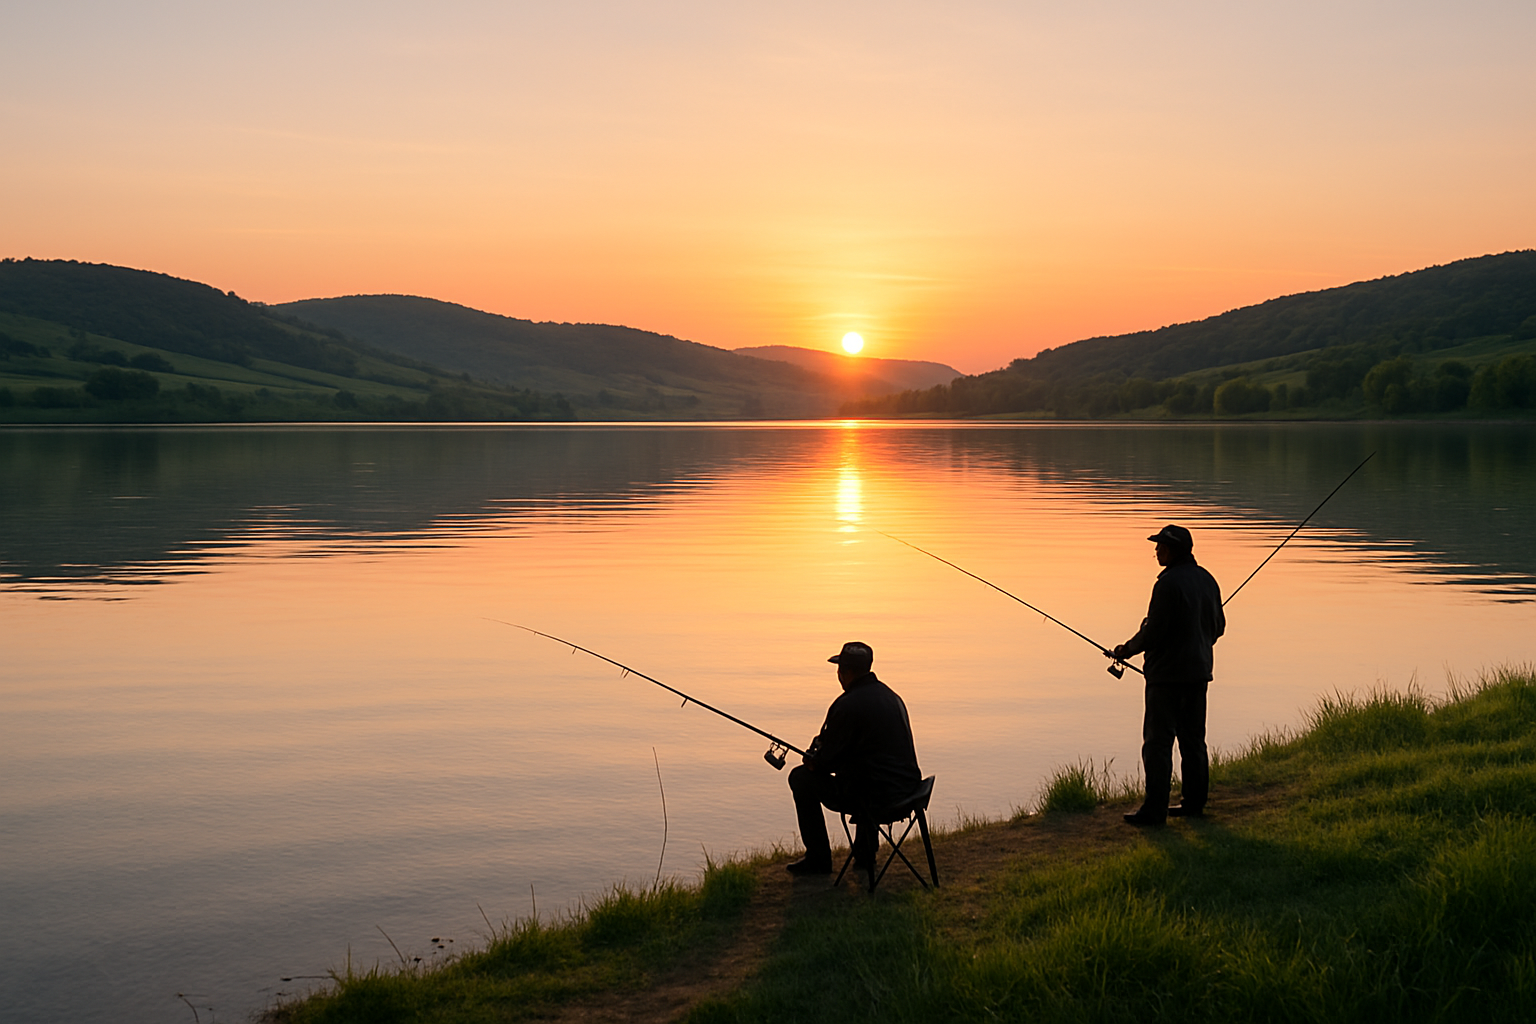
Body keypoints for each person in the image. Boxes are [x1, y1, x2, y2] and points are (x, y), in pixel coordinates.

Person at [1111, 524, 1225, 826]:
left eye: (1160, 546)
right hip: (1199, 674)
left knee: (1158, 744)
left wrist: (1124, 650)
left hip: (1166, 679)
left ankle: (1154, 810)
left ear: (1173, 550)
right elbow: (1219, 628)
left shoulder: (1167, 584)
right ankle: (1194, 802)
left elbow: (1154, 633)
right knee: (1193, 741)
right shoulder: (1207, 580)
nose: (1156, 551)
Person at [784, 641, 923, 876]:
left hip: (875, 799)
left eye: (839, 669)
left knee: (800, 778)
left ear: (845, 672)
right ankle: (865, 853)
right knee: (867, 772)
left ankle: (818, 859)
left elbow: (826, 763)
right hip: (908, 792)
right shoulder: (892, 697)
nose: (838, 675)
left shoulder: (846, 705)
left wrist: (812, 759)